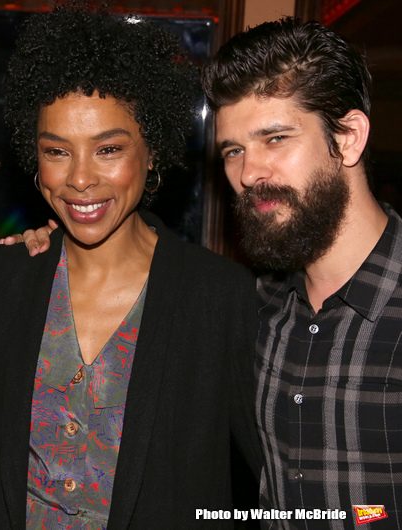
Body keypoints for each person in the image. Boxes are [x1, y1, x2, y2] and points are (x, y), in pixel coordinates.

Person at [0, 4, 262, 529]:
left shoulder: (221, 299)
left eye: (109, 149)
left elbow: (278, 481)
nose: (78, 179)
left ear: (152, 150)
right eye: (57, 151)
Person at [202, 17, 402, 528]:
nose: (248, 174)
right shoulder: (260, 310)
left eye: (274, 138)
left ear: (349, 138)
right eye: (233, 151)